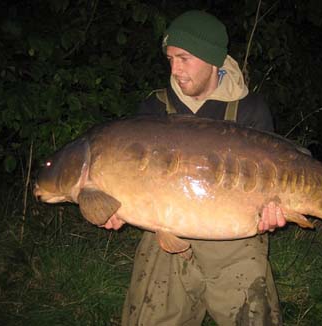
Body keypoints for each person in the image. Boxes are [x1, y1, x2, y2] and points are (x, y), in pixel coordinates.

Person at [104, 10, 287, 325]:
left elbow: (269, 184)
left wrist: (272, 214)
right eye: (171, 59)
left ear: (212, 60)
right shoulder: (153, 110)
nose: (175, 69)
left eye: (184, 58)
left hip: (236, 240)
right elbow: (132, 179)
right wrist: (114, 203)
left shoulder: (250, 110)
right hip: (165, 236)